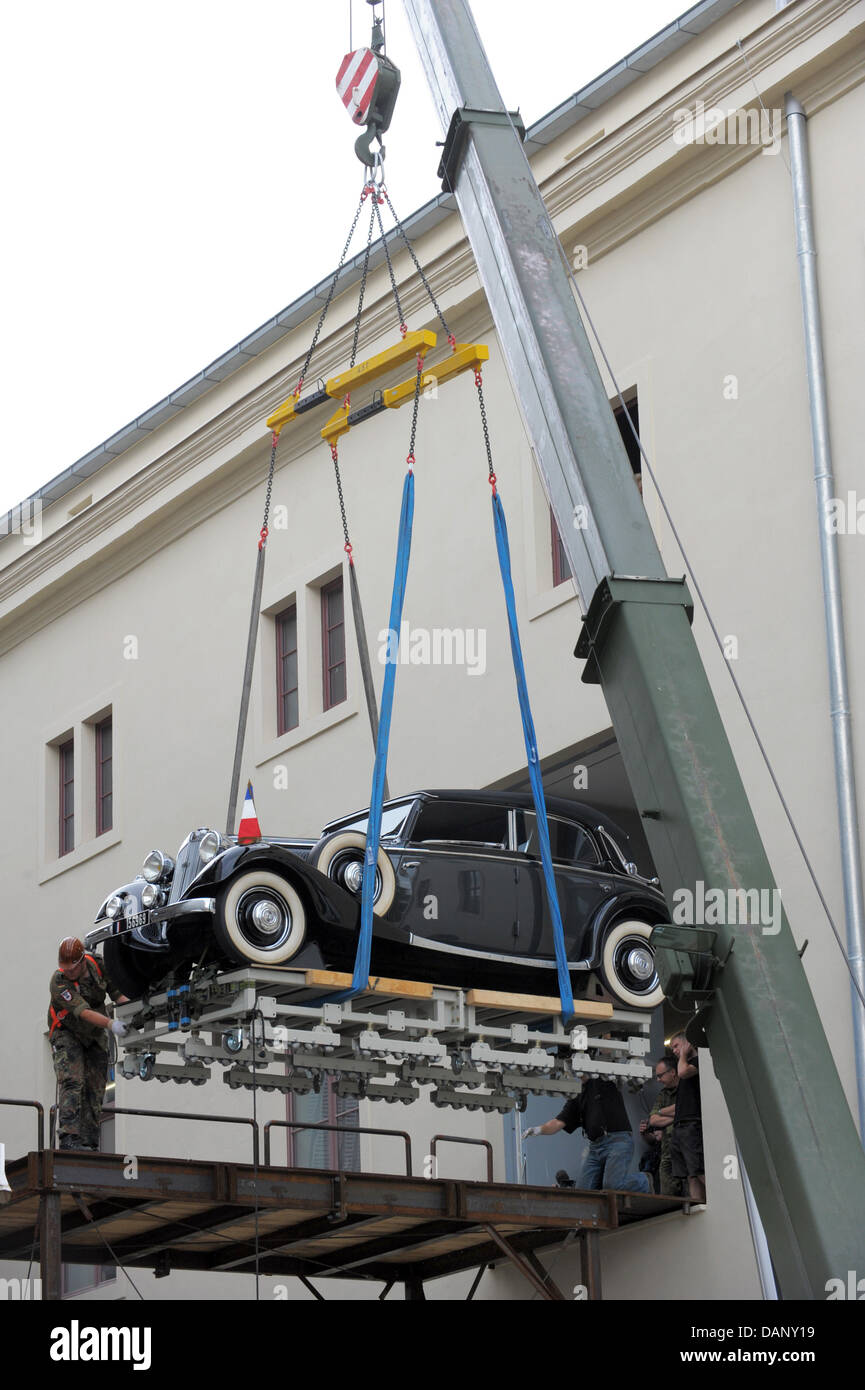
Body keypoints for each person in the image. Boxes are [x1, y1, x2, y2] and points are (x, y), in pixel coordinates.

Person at [48, 937, 129, 1151]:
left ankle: (90, 1141)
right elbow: (83, 1012)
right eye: (64, 968)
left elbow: (118, 994)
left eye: (71, 968)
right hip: (67, 1033)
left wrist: (135, 1011)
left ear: (82, 961)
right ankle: (69, 1138)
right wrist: (112, 1024)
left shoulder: (98, 966)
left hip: (94, 1034)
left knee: (96, 1087)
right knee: (73, 1081)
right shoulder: (59, 982)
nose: (68, 972)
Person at [524, 1077, 650, 1193]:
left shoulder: (603, 1078)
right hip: (595, 1148)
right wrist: (539, 1130)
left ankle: (644, 1181)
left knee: (612, 1187)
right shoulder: (577, 1095)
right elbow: (558, 1122)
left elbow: (604, 1056)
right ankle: (571, 1187)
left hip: (617, 1141)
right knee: (583, 1192)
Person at [669, 1030, 705, 1204]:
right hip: (679, 1125)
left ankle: (721, 1197)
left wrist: (683, 1054)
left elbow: (682, 1072)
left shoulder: (697, 1061)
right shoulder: (685, 1064)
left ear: (687, 1043)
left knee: (698, 1169)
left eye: (676, 1046)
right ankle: (697, 1203)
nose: (675, 1051)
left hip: (692, 1123)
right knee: (690, 1174)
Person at [640, 1054, 684, 1197]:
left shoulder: (687, 1088)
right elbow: (653, 1120)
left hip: (686, 1146)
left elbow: (688, 1109)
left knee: (690, 1189)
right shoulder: (663, 1094)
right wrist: (677, 1115)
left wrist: (663, 1113)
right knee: (667, 1194)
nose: (658, 1080)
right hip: (667, 1150)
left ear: (672, 1072)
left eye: (660, 1076)